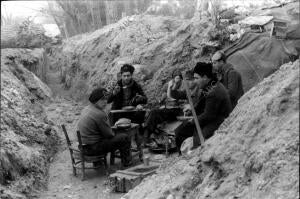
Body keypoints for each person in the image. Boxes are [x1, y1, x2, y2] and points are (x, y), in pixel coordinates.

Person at [170, 62, 232, 154]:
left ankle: (189, 157)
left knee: (197, 141)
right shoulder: (211, 85)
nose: (195, 81)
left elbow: (208, 115)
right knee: (181, 131)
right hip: (210, 119)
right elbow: (201, 104)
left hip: (219, 122)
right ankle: (183, 156)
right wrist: (192, 110)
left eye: (196, 78)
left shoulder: (214, 91)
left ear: (205, 77)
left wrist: (193, 120)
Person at [77, 87, 132, 166]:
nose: (105, 102)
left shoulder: (86, 108)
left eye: (106, 99)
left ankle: (97, 163)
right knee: (124, 137)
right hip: (91, 149)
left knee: (99, 136)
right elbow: (109, 135)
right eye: (102, 99)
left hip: (82, 146)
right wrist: (116, 131)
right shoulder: (99, 114)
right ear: (95, 100)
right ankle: (127, 163)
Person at [143, 69, 186, 146]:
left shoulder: (184, 85)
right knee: (152, 112)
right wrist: (160, 101)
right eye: (176, 78)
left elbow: (184, 98)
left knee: (155, 112)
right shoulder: (169, 85)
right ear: (173, 78)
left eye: (179, 78)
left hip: (178, 110)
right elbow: (163, 97)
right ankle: (148, 134)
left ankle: (147, 135)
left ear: (181, 78)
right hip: (168, 109)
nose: (177, 80)